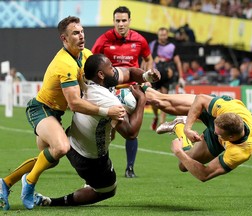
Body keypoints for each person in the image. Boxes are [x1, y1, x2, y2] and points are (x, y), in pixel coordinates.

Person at [0, 16, 127, 211]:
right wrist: (107, 110)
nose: (81, 36)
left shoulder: (85, 55)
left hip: (55, 113)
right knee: (61, 147)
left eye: (82, 31)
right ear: (64, 39)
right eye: (75, 33)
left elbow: (96, 84)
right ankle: (29, 183)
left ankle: (5, 183)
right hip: (41, 109)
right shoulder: (64, 64)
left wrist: (137, 80)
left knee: (48, 159)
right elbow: (75, 103)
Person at [33, 53, 148, 207]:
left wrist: (147, 76)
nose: (114, 70)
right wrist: (141, 101)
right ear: (101, 74)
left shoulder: (86, 82)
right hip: (88, 158)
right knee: (108, 190)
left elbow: (129, 72)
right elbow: (131, 133)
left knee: (104, 134)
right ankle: (51, 202)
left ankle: (88, 181)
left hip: (71, 140)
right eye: (111, 68)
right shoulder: (107, 100)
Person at [91, 6, 153, 178]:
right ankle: (101, 161)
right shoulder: (103, 40)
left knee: (132, 131)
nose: (121, 24)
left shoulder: (140, 40)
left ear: (129, 21)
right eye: (117, 21)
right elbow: (92, 62)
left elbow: (148, 58)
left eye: (124, 20)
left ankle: (130, 168)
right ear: (113, 22)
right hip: (109, 92)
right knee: (110, 133)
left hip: (131, 91)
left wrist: (146, 77)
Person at [155, 93, 252, 182]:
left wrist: (179, 152)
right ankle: (144, 88)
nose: (214, 132)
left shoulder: (239, 152)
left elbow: (204, 175)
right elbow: (200, 98)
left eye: (217, 134)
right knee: (162, 102)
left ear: (231, 137)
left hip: (223, 137)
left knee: (183, 165)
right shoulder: (228, 109)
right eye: (214, 131)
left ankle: (178, 126)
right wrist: (188, 129)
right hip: (218, 116)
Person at [149, 27, 184, 131]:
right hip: (155, 74)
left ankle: (162, 122)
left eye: (164, 35)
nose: (163, 37)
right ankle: (156, 116)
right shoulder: (153, 45)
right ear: (158, 35)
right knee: (153, 99)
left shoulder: (172, 46)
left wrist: (181, 77)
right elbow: (147, 59)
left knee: (163, 97)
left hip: (167, 75)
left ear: (167, 35)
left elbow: (178, 62)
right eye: (161, 35)